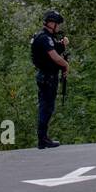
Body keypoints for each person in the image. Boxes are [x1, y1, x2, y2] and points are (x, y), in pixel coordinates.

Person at [30, 10, 70, 148]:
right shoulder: (44, 38)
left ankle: (43, 138)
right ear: (51, 23)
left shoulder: (46, 37)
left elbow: (54, 49)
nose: (58, 27)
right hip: (47, 77)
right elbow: (54, 56)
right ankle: (42, 139)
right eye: (57, 24)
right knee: (46, 107)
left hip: (47, 76)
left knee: (47, 107)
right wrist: (65, 65)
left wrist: (62, 44)